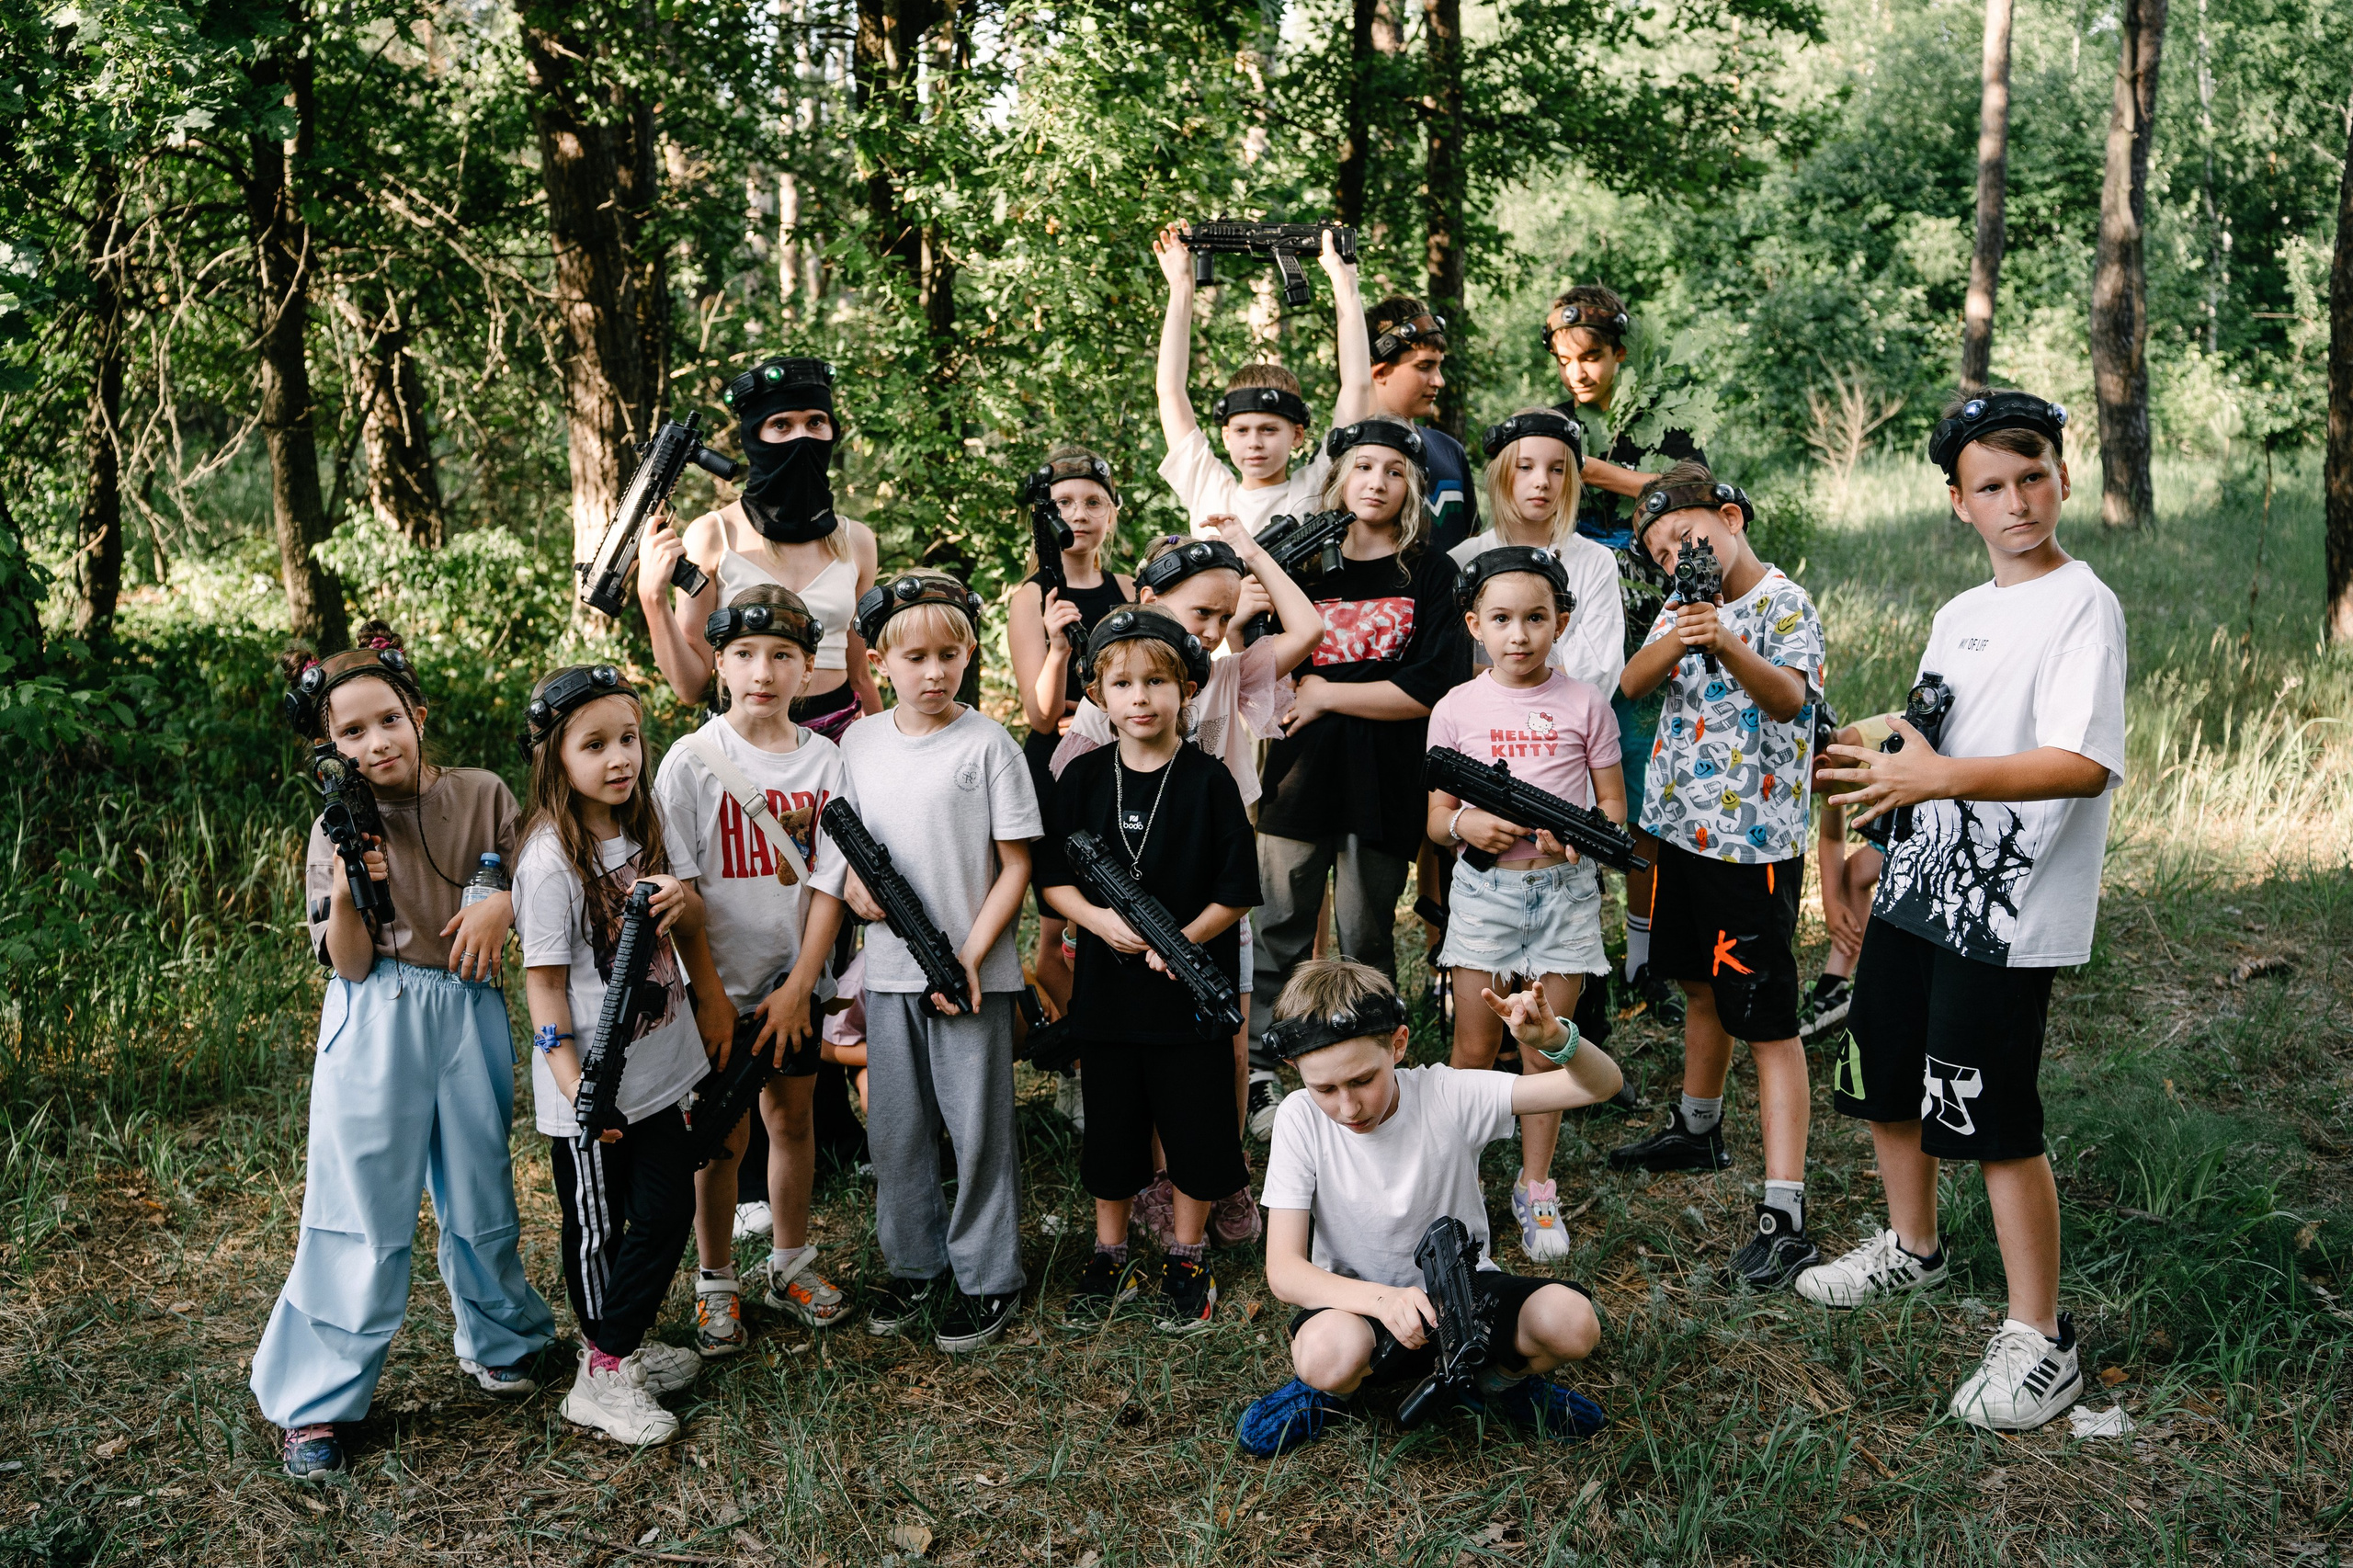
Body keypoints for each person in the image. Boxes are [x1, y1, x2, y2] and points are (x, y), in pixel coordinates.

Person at [1799, 391, 2123, 1432]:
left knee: (1991, 1114)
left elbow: (2079, 762)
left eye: (2033, 477)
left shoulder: (2082, 605)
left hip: (2004, 909)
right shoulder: (1959, 614)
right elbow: (1922, 739)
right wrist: (1870, 837)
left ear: (2062, 479)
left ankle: (2041, 1337)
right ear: (1958, 502)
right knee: (1887, 1071)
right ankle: (1913, 1246)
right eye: (1991, 486)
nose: (2016, 501)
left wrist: (1938, 780)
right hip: (1917, 882)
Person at [253, 623, 556, 1480]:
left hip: (468, 1004)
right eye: (352, 732)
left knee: (481, 1187)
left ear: (417, 716)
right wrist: (354, 890)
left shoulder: (481, 793)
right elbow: (347, 963)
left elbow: (542, 871)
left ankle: (503, 1342)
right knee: (361, 1208)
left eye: (388, 720)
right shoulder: (335, 828)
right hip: (378, 1011)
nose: (376, 742)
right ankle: (316, 1402)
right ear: (330, 750)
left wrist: (502, 903)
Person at [1051, 520, 1326, 1245]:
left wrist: (1252, 555)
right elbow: (1070, 828)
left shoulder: (1224, 673)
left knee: (1220, 1048)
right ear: (1149, 601)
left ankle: (1215, 1175)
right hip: (1123, 915)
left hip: (1209, 898)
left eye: (1224, 613)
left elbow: (1308, 629)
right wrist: (1084, 920)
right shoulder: (1108, 703)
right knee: (1133, 1063)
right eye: (1201, 611)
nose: (1212, 627)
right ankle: (1150, 1184)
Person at [1235, 959, 1620, 1456]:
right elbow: (1285, 1271)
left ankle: (1499, 1382)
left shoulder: (1447, 1093)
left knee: (1572, 1322)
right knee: (1324, 1355)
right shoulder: (1300, 1119)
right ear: (1295, 1070)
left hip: (1467, 1300)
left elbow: (1600, 1086)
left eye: (1362, 1080)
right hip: (1359, 1310)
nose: (1348, 1107)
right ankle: (1332, 1392)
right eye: (1325, 1089)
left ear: (1398, 1044)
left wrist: (1555, 1040)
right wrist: (1383, 1301)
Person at [1607, 463, 1827, 1292]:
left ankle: (1785, 1212)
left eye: (1687, 539)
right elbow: (1633, 683)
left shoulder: (1783, 603)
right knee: (1700, 986)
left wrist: (1725, 639)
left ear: (1730, 517)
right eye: (1663, 555)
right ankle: (1698, 1127)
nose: (1678, 559)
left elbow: (1789, 700)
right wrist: (1684, 626)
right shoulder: (1680, 603)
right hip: (1680, 831)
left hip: (1751, 846)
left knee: (1767, 1022)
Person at [515, 664, 730, 1446]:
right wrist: (577, 1088)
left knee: (668, 1211)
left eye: (629, 739)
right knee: (598, 1233)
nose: (620, 759)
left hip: (661, 1074)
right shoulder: (549, 862)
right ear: (555, 759)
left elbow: (693, 920)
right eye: (595, 745)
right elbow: (543, 986)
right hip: (595, 1093)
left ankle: (618, 1346)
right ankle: (603, 1373)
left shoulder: (646, 824)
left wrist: (683, 901)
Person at [1246, 418, 1473, 1140]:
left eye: (1394, 471)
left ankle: (1370, 1065)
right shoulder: (1302, 564)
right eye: (1364, 467)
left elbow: (1431, 687)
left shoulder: (1430, 572)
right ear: (1339, 477)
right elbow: (1259, 666)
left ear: (1413, 486)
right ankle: (1260, 1069)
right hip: (1297, 776)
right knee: (1279, 926)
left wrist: (1327, 694)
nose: (1377, 482)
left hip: (1386, 779)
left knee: (1366, 933)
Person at [1038, 608, 1260, 1333]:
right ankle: (1111, 1253)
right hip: (1107, 997)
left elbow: (1237, 889)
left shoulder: (1209, 781)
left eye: (1157, 682)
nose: (1141, 697)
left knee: (1195, 1125)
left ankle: (1187, 1254)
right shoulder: (1081, 779)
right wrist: (1099, 921)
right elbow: (1052, 879)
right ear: (1098, 694)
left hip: (1189, 998)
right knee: (1112, 1128)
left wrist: (1183, 942)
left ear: (1187, 690)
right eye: (1124, 683)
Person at [838, 571, 1042, 1353]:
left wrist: (971, 955)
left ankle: (989, 1276)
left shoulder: (989, 744)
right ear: (879, 661)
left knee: (978, 1129)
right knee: (896, 1131)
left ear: (969, 656)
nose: (934, 673)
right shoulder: (858, 743)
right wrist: (854, 887)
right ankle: (914, 1265)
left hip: (972, 978)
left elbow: (1016, 867)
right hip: (889, 972)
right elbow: (845, 849)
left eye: (949, 656)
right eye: (915, 658)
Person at [652, 585, 855, 1356]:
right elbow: (681, 889)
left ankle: (790, 1261)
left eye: (781, 656)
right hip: (714, 990)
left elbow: (829, 884)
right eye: (743, 654)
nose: (762, 672)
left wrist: (803, 985)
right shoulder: (691, 761)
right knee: (720, 1138)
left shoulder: (826, 761)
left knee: (792, 1120)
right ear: (719, 663)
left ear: (808, 669)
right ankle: (716, 1281)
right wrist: (708, 997)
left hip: (791, 988)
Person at [1426, 548, 1625, 1263]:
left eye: (1536, 619)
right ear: (1475, 625)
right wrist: (1466, 824)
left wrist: (1579, 841)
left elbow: (1612, 811)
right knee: (1474, 1047)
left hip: (1562, 894)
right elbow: (1435, 818)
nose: (1519, 635)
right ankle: (1457, 1188)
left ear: (1560, 624)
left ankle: (1535, 1185)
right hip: (1484, 893)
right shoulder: (1456, 707)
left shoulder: (1586, 704)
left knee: (1547, 1043)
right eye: (1502, 619)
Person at [1545, 285, 1708, 1021]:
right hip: (1574, 636)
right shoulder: (1557, 423)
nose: (1578, 372)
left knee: (1644, 800)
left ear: (1617, 353)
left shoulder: (1663, 418)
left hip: (1649, 637)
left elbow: (1694, 491)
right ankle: (1577, 947)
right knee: (1570, 791)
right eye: (1565, 360)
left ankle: (1646, 957)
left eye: (1590, 357)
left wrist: (1598, 471)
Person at [639, 355, 881, 738]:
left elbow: (860, 674)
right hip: (741, 744)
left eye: (815, 422)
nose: (801, 437)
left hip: (838, 741)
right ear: (755, 435)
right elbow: (691, 687)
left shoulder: (857, 541)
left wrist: (886, 748)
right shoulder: (713, 535)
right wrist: (652, 598)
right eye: (781, 425)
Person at [1008, 447, 1133, 1029]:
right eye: (1063, 503)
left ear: (1112, 512)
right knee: (1059, 929)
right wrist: (1058, 650)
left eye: (1093, 502)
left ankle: (1117, 1029)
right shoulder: (1030, 597)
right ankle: (1078, 1048)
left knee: (1118, 905)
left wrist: (1089, 711)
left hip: (1125, 760)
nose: (1078, 514)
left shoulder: (1131, 588)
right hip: (1058, 768)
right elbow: (1039, 714)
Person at [1152, 223, 1373, 537]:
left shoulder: (1314, 487)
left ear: (1297, 435)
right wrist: (1180, 286)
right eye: (1242, 430)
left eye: (1269, 429)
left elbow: (1357, 386)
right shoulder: (1208, 488)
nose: (1254, 442)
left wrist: (1344, 281)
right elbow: (1169, 391)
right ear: (1226, 437)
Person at [1447, 408, 1623, 693]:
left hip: (1570, 719)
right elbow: (1446, 669)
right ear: (1503, 471)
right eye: (1525, 467)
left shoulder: (1596, 562)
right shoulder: (1459, 560)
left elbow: (1598, 675)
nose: (1542, 481)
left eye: (1557, 469)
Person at [1365, 296, 1478, 556]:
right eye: (1424, 366)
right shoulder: (1344, 456)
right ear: (1380, 371)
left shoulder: (1450, 451)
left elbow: (1473, 541)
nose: (1439, 381)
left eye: (1439, 366)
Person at [1804, 709, 1886, 1041]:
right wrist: (1830, 903)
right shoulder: (1833, 767)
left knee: (1861, 871)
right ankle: (1835, 985)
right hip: (1905, 818)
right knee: (1856, 873)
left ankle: (1876, 987)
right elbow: (1832, 838)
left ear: (1820, 763)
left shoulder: (1877, 750)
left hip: (1945, 808)